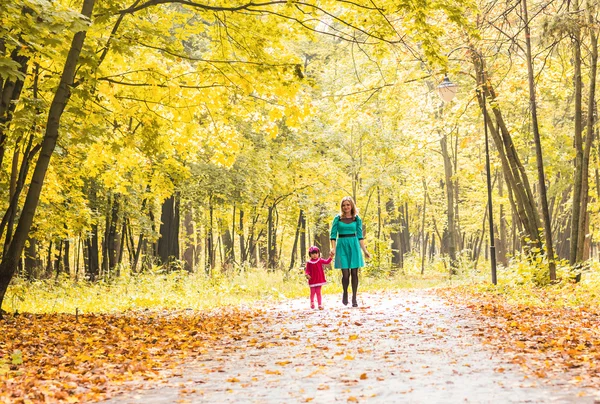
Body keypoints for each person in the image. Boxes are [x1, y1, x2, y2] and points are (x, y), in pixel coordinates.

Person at [330, 196, 370, 307]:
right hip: (342, 245)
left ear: (351, 205)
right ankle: (345, 293)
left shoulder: (357, 218)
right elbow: (333, 235)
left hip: (354, 245)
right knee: (346, 274)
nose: (346, 207)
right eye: (344, 205)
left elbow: (360, 236)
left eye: (348, 204)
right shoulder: (337, 218)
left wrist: (365, 251)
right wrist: (333, 248)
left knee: (354, 273)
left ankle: (354, 298)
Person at [305, 246, 334, 310]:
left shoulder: (320, 260)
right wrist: (307, 274)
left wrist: (331, 257)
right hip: (312, 279)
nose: (314, 255)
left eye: (316, 253)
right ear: (310, 254)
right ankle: (312, 302)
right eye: (312, 254)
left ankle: (320, 304)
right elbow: (307, 270)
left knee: (318, 292)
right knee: (312, 292)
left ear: (318, 254)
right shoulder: (309, 262)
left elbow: (327, 262)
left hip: (319, 279)